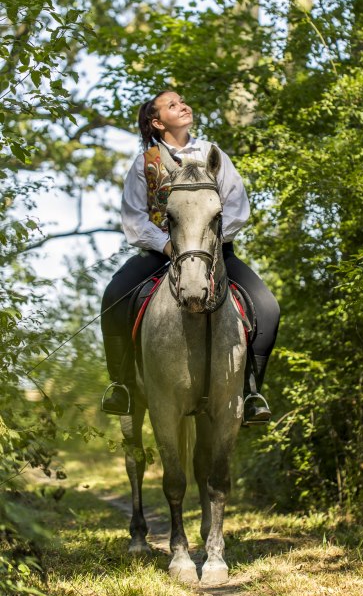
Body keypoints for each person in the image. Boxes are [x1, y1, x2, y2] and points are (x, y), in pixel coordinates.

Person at [100, 90, 279, 424]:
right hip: (162, 252)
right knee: (113, 297)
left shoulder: (213, 153)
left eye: (183, 100)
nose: (183, 106)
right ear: (156, 122)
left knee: (268, 307)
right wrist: (169, 246)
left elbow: (237, 208)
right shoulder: (146, 163)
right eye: (172, 105)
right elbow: (134, 220)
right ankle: (122, 386)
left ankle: (252, 391)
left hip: (215, 252)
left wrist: (206, 244)